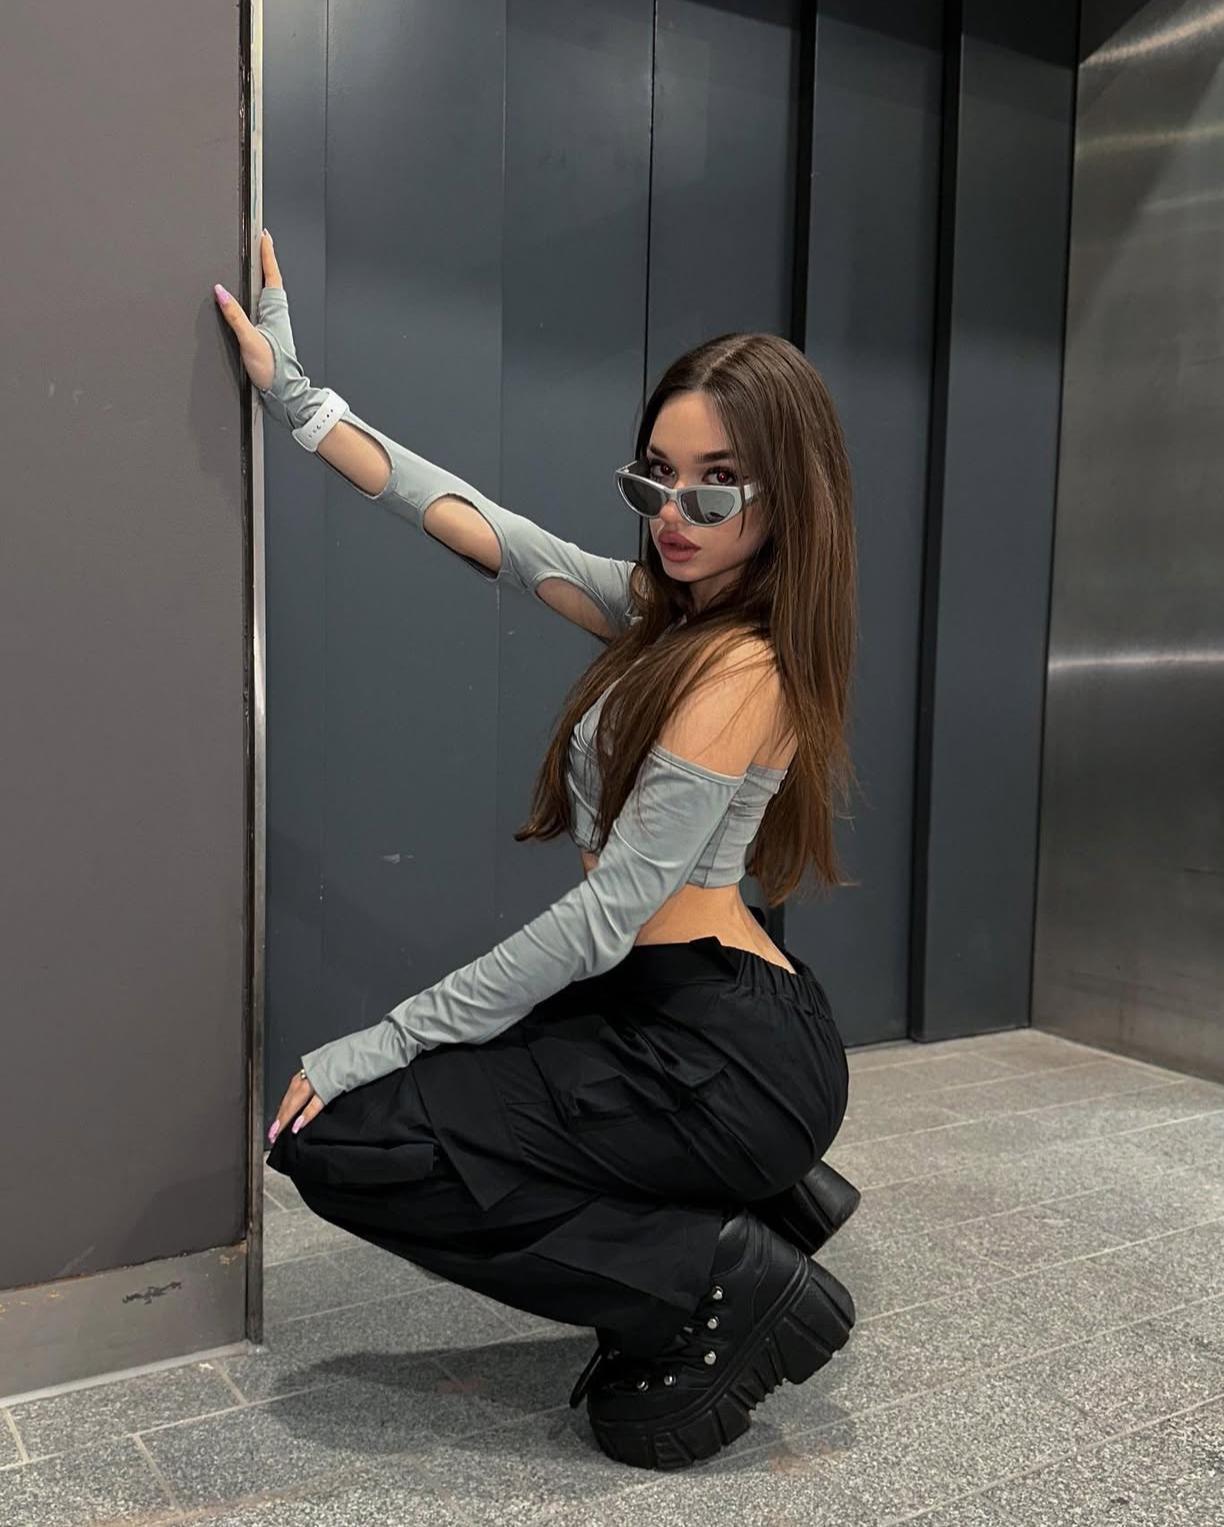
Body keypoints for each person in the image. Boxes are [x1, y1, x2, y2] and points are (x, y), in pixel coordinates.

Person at [214, 231, 863, 1471]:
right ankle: (726, 1231)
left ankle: (713, 1274)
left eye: (717, 488)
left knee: (346, 1135)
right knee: (391, 1127)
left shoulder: (743, 670)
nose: (675, 516)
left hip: (720, 1051)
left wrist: (386, 1034)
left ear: (788, 500)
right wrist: (301, 403)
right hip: (671, 1014)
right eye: (656, 481)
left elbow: (606, 916)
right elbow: (487, 532)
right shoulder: (664, 615)